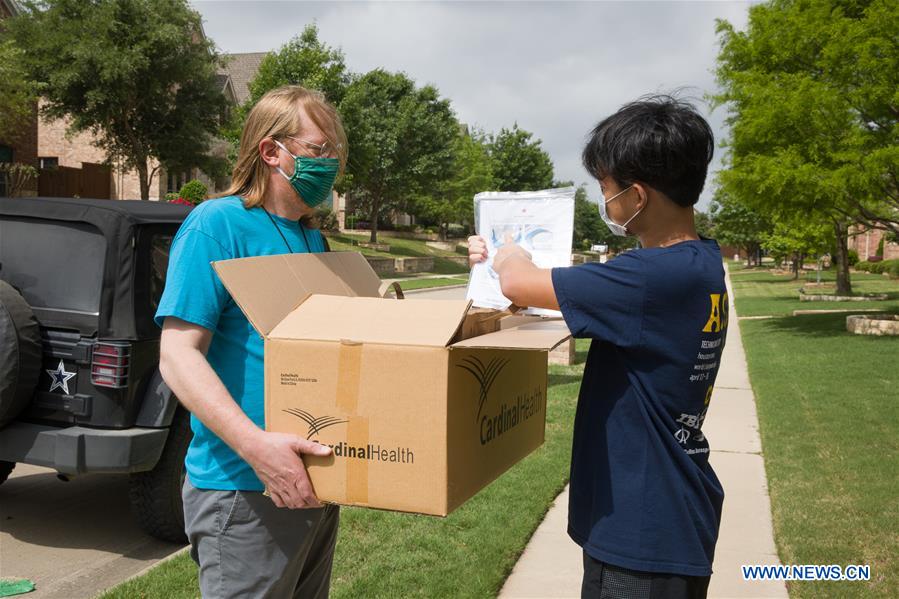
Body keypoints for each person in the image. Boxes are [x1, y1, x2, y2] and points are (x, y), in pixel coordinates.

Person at [469, 96, 727, 599]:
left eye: (607, 190)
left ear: (637, 196)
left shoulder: (650, 278)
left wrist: (509, 253)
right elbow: (550, 298)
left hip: (641, 531)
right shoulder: (696, 263)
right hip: (670, 510)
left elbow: (519, 283)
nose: (605, 202)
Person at [156, 85, 347, 598]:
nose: (330, 163)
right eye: (318, 149)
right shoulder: (217, 224)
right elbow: (177, 355)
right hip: (243, 489)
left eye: (335, 152)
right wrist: (257, 448)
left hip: (311, 483)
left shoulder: (312, 237)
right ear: (271, 151)